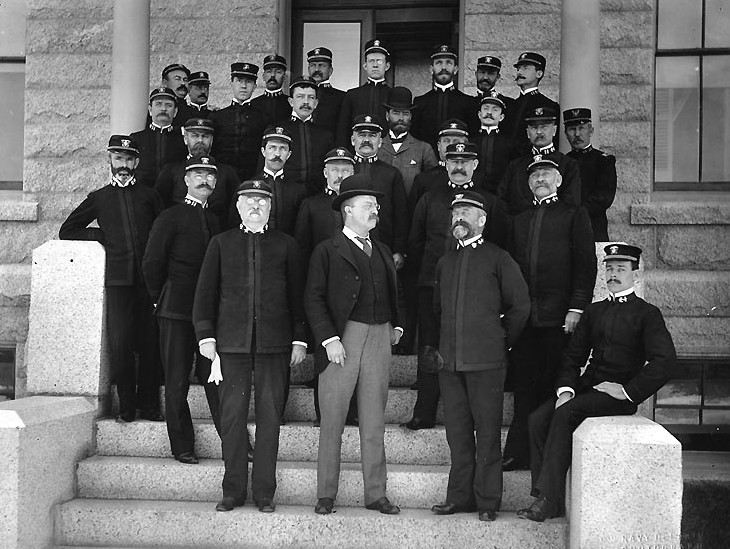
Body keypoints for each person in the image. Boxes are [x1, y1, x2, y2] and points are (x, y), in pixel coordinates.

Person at [518, 244, 676, 521]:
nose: (613, 275)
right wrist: (566, 389)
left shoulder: (647, 314)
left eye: (621, 269)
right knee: (538, 419)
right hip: (589, 387)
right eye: (610, 268)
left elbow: (665, 361)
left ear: (635, 276)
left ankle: (547, 499)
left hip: (618, 394)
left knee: (565, 415)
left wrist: (628, 391)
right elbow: (572, 356)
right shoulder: (594, 311)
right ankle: (546, 496)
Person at [193, 179, 307, 513]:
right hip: (231, 345)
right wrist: (206, 335)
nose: (256, 206)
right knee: (232, 417)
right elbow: (205, 295)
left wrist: (299, 338)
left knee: (271, 417)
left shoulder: (286, 245)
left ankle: (264, 492)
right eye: (249, 200)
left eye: (262, 201)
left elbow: (297, 296)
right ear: (239, 206)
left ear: (270, 208)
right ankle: (233, 490)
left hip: (275, 345)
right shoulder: (221, 243)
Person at [304, 174, 403, 516]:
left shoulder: (383, 249)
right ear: (347, 211)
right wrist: (329, 338)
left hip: (379, 336)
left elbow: (392, 292)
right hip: (341, 339)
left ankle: (376, 494)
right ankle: (326, 494)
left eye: (376, 206)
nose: (375, 211)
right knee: (332, 420)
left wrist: (397, 325)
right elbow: (313, 297)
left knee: (374, 420)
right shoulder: (326, 250)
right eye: (368, 206)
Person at [431, 191, 530, 522]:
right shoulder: (445, 262)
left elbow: (520, 306)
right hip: (451, 364)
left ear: (482, 220)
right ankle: (459, 497)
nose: (459, 216)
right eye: (456, 211)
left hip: (487, 363)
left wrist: (502, 341)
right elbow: (437, 311)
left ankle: (488, 500)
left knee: (487, 434)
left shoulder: (498, 258)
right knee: (457, 434)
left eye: (466, 211)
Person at [404, 142, 511, 431]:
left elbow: (499, 245)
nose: (459, 166)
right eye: (453, 160)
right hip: (432, 284)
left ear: (475, 164)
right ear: (444, 162)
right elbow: (416, 242)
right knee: (430, 344)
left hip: (475, 290)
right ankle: (424, 410)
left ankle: (472, 412)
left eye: (466, 160)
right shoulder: (430, 198)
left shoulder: (489, 201)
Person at [59, 135, 164, 422]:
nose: (124, 165)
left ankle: (150, 405)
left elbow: (162, 232)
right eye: (119, 158)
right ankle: (127, 406)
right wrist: (100, 236)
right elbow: (68, 229)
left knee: (150, 342)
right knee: (120, 343)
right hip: (118, 281)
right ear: (109, 160)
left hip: (148, 282)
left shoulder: (149, 195)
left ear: (137, 162)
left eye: (129, 159)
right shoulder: (99, 198)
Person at [502, 156, 597, 471]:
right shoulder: (519, 219)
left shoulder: (573, 215)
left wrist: (577, 306)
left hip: (561, 319)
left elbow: (586, 264)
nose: (540, 178)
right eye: (535, 174)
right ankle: (518, 452)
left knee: (556, 385)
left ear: (558, 180)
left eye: (547, 173)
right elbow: (511, 270)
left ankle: (549, 457)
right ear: (529, 183)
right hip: (527, 320)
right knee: (524, 388)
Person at [142, 155, 223, 464]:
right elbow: (152, 263)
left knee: (215, 377)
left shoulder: (215, 220)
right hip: (175, 311)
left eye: (209, 175)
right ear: (186, 180)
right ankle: (182, 446)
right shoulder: (170, 216)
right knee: (176, 381)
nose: (205, 179)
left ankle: (231, 439)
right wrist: (159, 298)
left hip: (208, 316)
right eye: (198, 174)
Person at [294, 147, 358, 426]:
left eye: (345, 169)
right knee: (326, 347)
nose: (340, 174)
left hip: (355, 286)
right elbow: (302, 246)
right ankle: (325, 413)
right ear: (325, 172)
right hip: (323, 285)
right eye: (335, 169)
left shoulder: (361, 207)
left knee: (354, 350)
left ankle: (353, 411)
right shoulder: (312, 204)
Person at [498, 106, 581, 215]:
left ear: (554, 130)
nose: (539, 132)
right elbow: (502, 200)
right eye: (534, 128)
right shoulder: (515, 165)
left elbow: (571, 202)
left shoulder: (568, 165)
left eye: (544, 127)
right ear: (528, 133)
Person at [154, 117, 239, 224]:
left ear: (211, 140)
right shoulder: (171, 170)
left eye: (205, 136)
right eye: (195, 136)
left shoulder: (227, 172)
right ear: (185, 139)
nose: (200, 140)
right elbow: (160, 207)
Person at [350, 114, 409, 267]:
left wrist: (399, 249)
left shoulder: (391, 174)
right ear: (352, 140)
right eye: (362, 135)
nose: (367, 140)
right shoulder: (344, 170)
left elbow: (401, 214)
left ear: (380, 141)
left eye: (372, 136)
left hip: (382, 245)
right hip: (347, 246)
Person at [228, 125, 305, 236]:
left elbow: (300, 230)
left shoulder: (297, 190)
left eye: (283, 148)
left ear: (289, 154)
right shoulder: (247, 188)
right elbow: (234, 226)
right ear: (263, 151)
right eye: (272, 147)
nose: (277, 154)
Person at [210, 62, 270, 181]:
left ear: (254, 86)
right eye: (239, 80)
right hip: (222, 178)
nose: (243, 86)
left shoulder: (263, 118)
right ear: (231, 82)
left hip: (252, 177)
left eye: (248, 82)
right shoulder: (217, 117)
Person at [564, 108, 617, 242]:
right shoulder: (562, 163)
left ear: (591, 130)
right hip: (566, 230)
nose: (577, 134)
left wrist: (576, 213)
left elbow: (603, 198)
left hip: (593, 229)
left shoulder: (604, 162)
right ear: (565, 133)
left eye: (581, 128)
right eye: (572, 129)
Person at [412, 45, 476, 152]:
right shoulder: (420, 102)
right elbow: (415, 137)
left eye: (448, 63)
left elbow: (472, 136)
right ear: (431, 69)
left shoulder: (468, 102)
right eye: (439, 63)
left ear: (456, 69)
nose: (443, 68)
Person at [377, 86, 438, 197]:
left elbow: (432, 184)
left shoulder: (424, 149)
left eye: (405, 113)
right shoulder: (376, 147)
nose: (401, 118)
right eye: (395, 113)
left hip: (412, 210)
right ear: (387, 116)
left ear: (410, 116)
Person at [279, 75, 334, 194]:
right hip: (286, 195)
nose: (305, 102)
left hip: (317, 196)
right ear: (291, 101)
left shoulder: (325, 135)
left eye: (311, 97)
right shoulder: (278, 131)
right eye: (300, 97)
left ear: (316, 103)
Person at [501, 52, 560, 156]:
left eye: (525, 68)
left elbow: (554, 141)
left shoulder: (549, 106)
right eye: (518, 68)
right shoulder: (510, 105)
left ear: (539, 74)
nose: (519, 72)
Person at [336, 39, 392, 145]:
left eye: (379, 61)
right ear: (365, 66)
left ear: (387, 66)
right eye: (371, 61)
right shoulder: (352, 95)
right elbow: (343, 129)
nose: (375, 65)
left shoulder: (393, 95)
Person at [132, 87, 188, 187]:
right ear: (150, 109)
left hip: (173, 197)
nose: (163, 109)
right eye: (158, 104)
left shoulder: (183, 139)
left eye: (169, 105)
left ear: (175, 112)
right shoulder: (136, 139)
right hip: (143, 195)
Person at [409, 118, 470, 210]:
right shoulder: (423, 180)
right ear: (438, 146)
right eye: (446, 141)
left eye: (456, 141)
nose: (450, 145)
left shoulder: (475, 179)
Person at [475, 92, 516, 194]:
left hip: (501, 194)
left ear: (501, 117)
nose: (489, 112)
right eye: (486, 108)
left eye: (495, 110)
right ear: (479, 114)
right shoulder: (471, 141)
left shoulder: (510, 143)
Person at [307, 47, 345, 136]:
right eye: (313, 65)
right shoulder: (300, 95)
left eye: (322, 65)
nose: (316, 70)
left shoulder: (342, 97)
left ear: (330, 71)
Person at [251, 54, 291, 124]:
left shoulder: (290, 104)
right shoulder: (254, 104)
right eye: (269, 72)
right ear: (263, 76)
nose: (273, 75)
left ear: (284, 77)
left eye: (278, 72)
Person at [473, 55, 514, 121]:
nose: (485, 77)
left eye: (491, 73)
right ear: (476, 74)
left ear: (498, 77)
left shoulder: (508, 104)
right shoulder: (467, 102)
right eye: (482, 72)